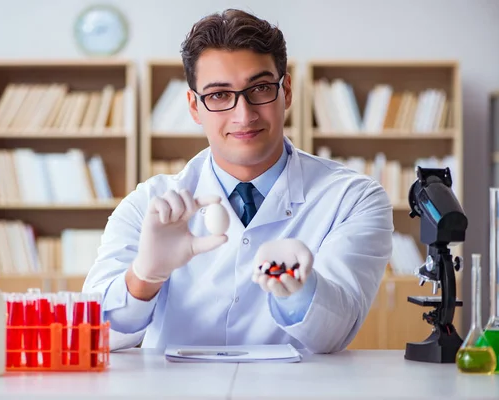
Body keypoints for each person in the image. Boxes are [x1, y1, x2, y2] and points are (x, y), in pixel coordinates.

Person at [83, 8, 393, 354]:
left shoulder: (352, 198)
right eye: (218, 95)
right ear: (194, 107)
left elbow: (334, 334)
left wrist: (300, 287)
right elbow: (95, 337)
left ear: (286, 91)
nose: (243, 115)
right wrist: (145, 276)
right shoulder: (148, 205)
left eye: (259, 88)